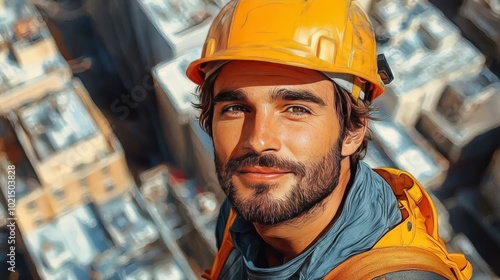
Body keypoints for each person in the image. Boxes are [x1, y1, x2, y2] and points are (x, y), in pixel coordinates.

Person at [186, 0, 472, 279]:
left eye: (296, 109)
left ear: (352, 130)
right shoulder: (241, 215)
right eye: (235, 108)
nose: (258, 140)